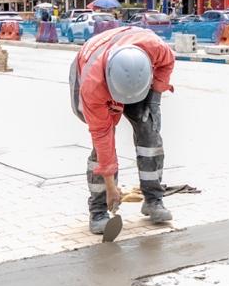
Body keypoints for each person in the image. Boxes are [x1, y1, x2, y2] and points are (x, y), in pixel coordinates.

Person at [69, 24, 176, 237]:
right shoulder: (93, 86)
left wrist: (154, 96)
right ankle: (98, 210)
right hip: (88, 73)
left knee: (150, 132)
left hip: (138, 83)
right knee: (102, 147)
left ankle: (153, 199)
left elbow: (168, 63)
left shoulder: (156, 47)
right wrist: (111, 186)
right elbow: (103, 136)